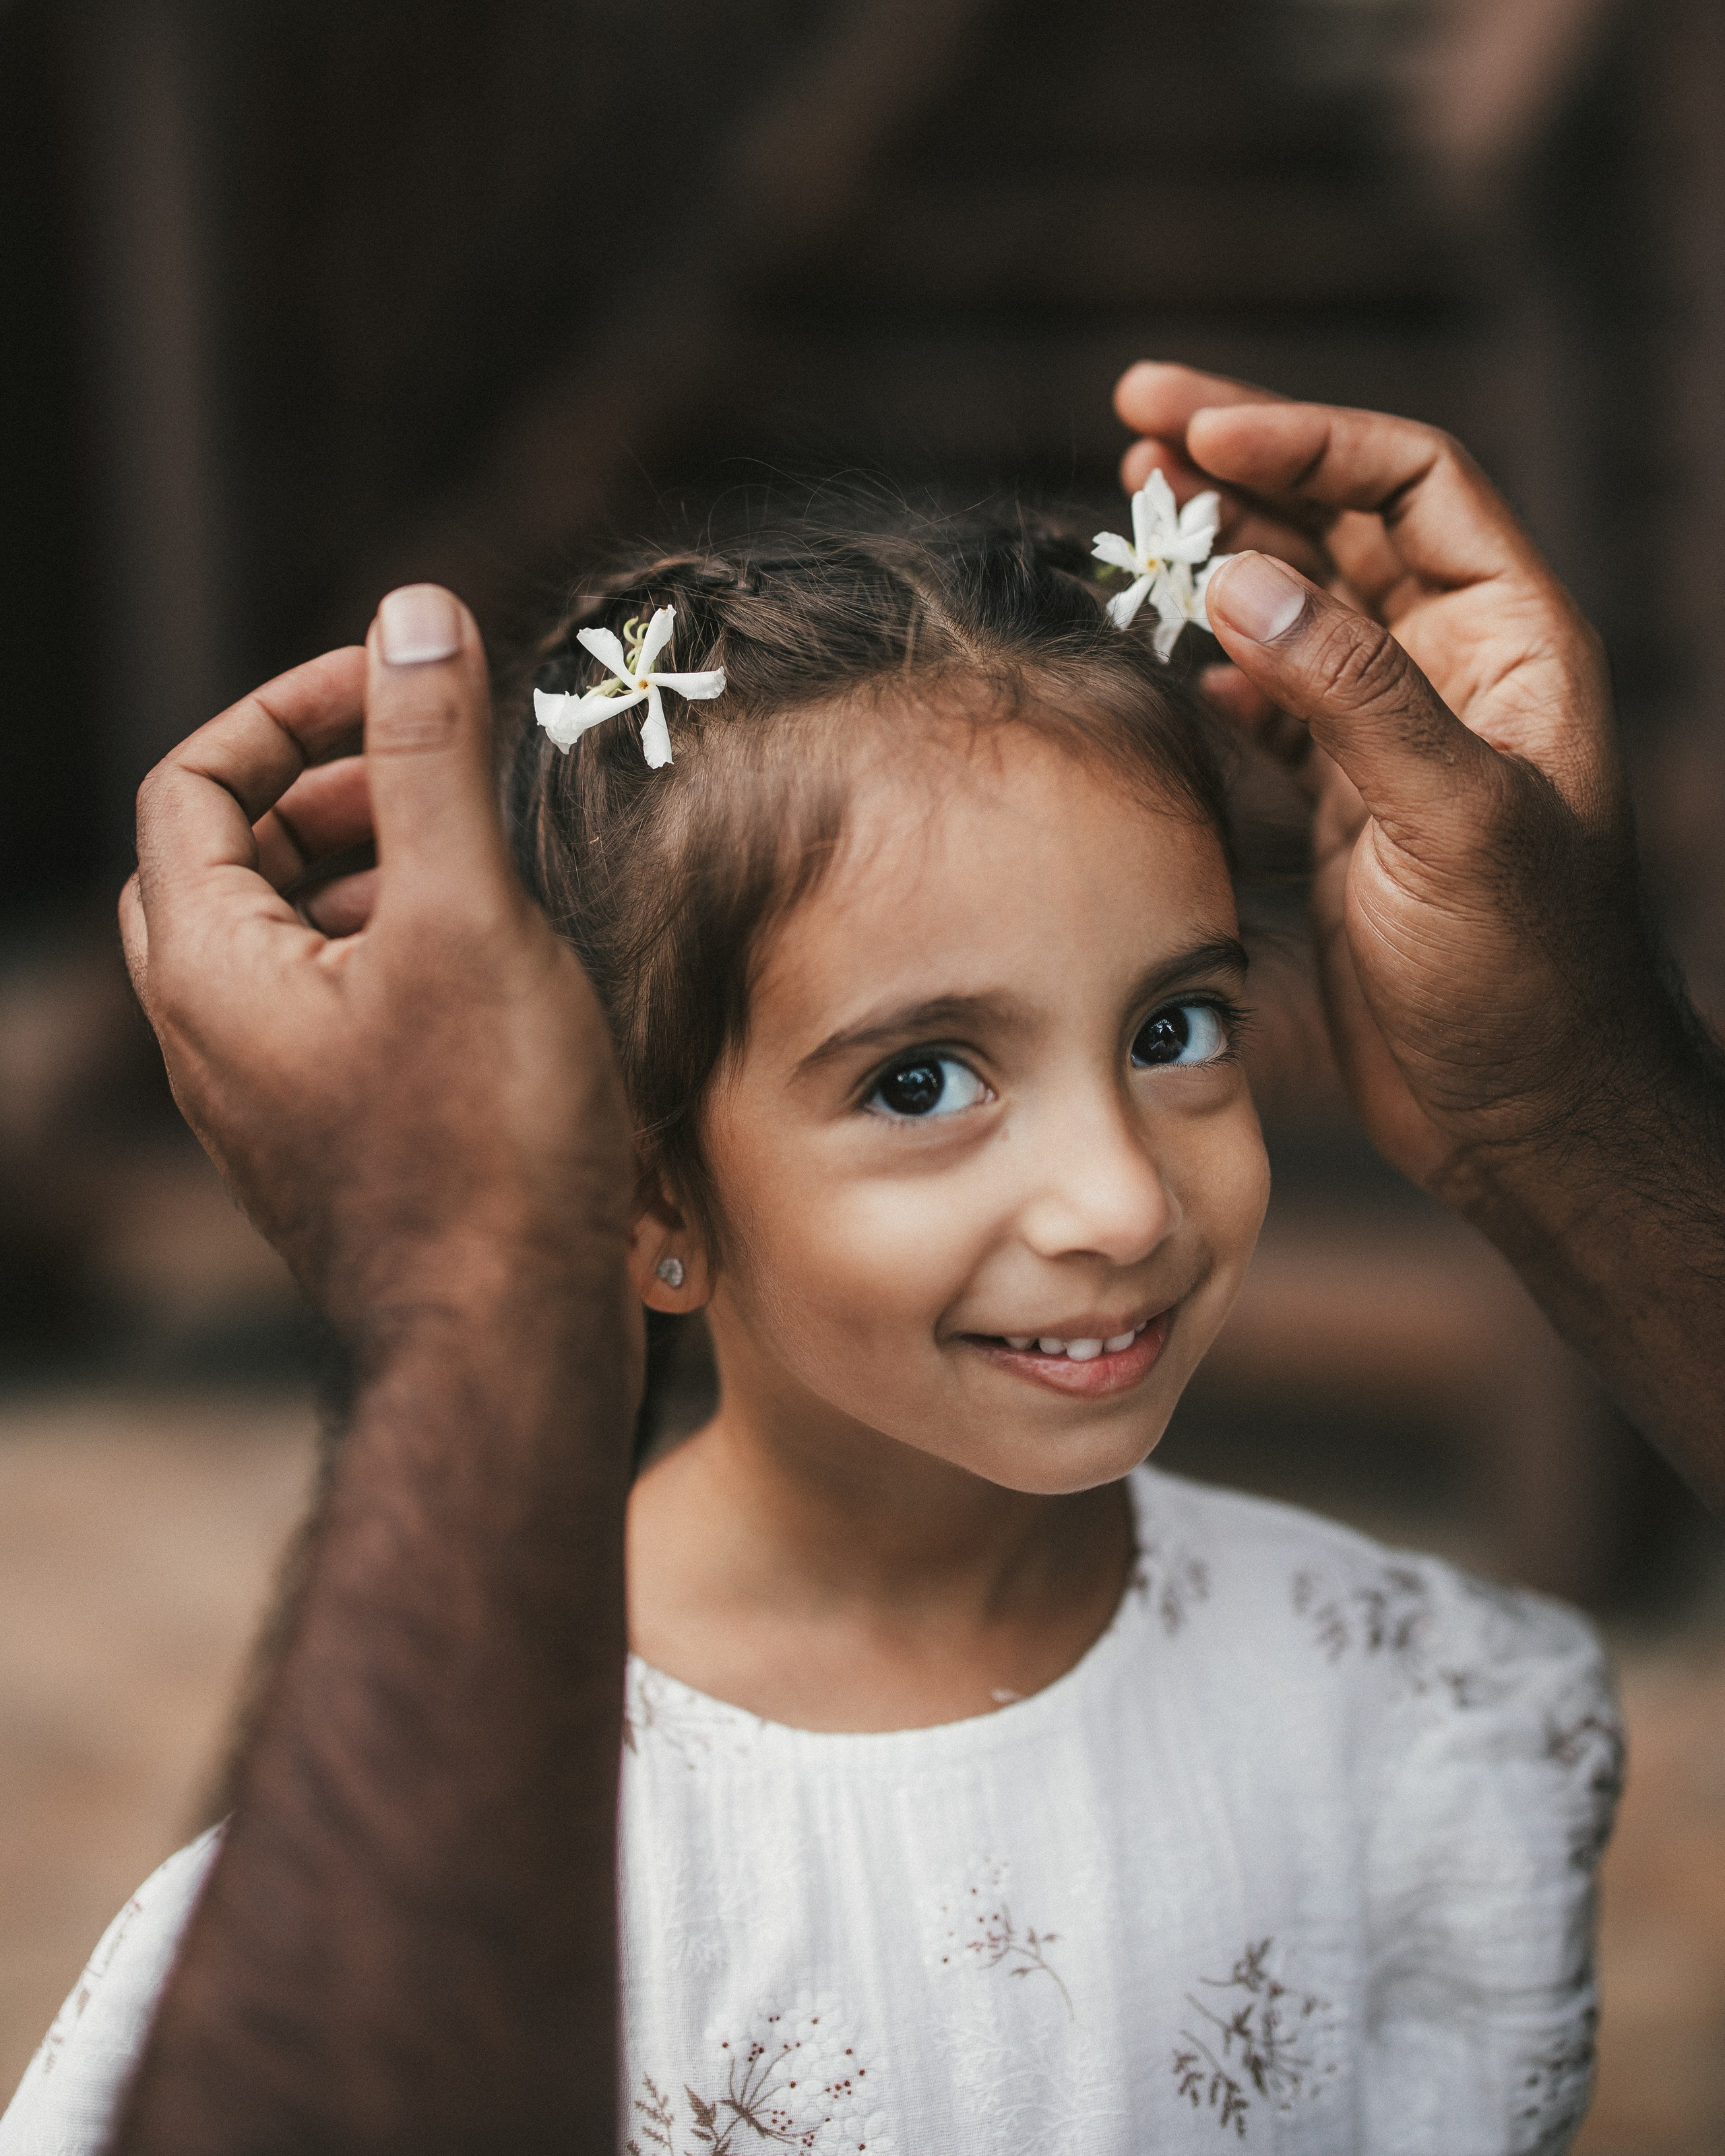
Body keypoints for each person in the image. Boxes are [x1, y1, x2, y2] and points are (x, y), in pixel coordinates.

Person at [0, 367, 1714, 2156]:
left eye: (1177, 1027)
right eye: (922, 1079)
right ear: (647, 1198)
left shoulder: (1406, 1717)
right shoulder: (408, 1884)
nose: (1118, 1202)